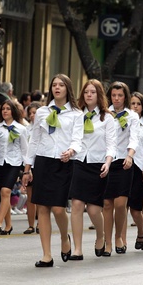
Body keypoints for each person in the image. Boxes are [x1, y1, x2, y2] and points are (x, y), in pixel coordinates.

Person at [22, 74, 83, 267]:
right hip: (43, 161)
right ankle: (46, 255)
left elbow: (77, 138)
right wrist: (27, 168)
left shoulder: (76, 114)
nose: (57, 88)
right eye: (54, 85)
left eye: (61, 85)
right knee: (43, 208)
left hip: (63, 162)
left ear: (68, 89)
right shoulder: (41, 112)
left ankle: (65, 238)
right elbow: (35, 140)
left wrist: (71, 151)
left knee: (58, 208)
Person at [68, 79, 116, 260]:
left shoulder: (107, 118)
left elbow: (111, 145)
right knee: (77, 204)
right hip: (79, 162)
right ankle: (77, 249)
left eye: (93, 92)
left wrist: (108, 162)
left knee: (94, 210)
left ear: (99, 95)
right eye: (86, 92)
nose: (89, 95)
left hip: (98, 164)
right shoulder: (77, 115)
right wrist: (70, 152)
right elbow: (74, 139)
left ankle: (101, 236)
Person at [104, 81, 139, 256]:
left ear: (125, 96)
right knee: (107, 204)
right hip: (107, 162)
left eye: (120, 95)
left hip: (124, 162)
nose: (116, 98)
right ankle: (108, 242)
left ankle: (119, 236)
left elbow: (134, 139)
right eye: (113, 95)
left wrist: (130, 156)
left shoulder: (132, 116)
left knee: (120, 204)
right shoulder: (105, 114)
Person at [0, 100, 28, 235]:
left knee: (6, 191)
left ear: (13, 111)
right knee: (3, 194)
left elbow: (25, 150)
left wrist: (26, 169)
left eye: (8, 109)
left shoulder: (21, 129)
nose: (5, 111)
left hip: (14, 163)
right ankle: (9, 225)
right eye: (3, 109)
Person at [128, 92, 143, 250]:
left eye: (138, 104)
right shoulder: (122, 120)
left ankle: (141, 231)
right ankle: (119, 240)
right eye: (132, 103)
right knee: (119, 205)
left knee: (135, 209)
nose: (135, 106)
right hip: (122, 164)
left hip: (138, 166)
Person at [23, 101, 42, 234]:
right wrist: (27, 168)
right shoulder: (26, 129)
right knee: (30, 195)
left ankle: (41, 223)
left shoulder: (45, 128)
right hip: (30, 164)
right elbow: (25, 149)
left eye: (35, 113)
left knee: (40, 196)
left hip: (41, 164)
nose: (32, 115)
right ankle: (31, 224)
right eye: (30, 113)